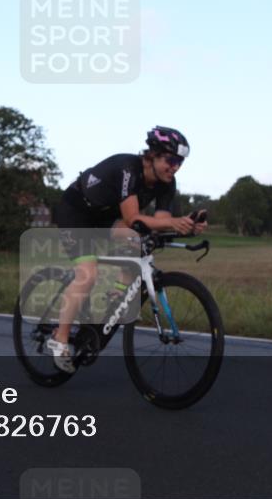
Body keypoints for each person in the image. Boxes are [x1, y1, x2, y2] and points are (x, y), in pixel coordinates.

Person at [46, 126, 208, 372]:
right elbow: (133, 218)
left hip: (107, 217)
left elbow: (160, 222)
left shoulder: (167, 183)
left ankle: (116, 297)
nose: (175, 167)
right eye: (171, 160)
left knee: (137, 248)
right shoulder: (128, 169)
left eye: (180, 162)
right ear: (152, 155)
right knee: (88, 274)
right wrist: (173, 222)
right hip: (77, 211)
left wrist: (186, 226)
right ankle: (59, 340)